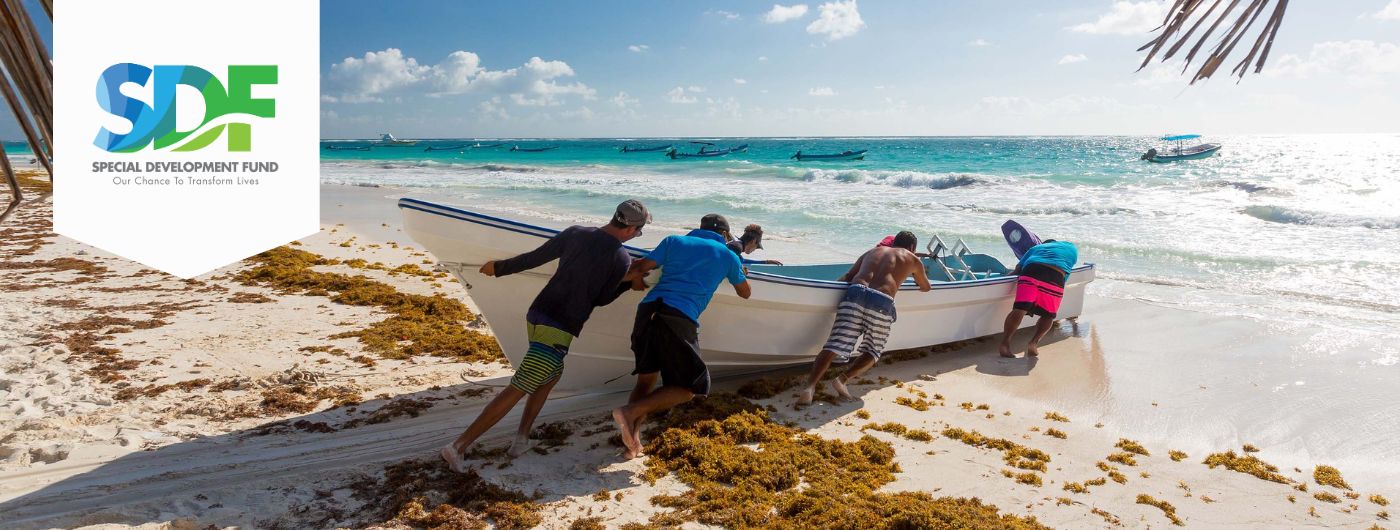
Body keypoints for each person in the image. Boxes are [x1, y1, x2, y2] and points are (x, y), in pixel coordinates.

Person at [440, 200, 651, 472]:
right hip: (560, 326)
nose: (636, 236)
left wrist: (499, 268)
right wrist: (628, 281)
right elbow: (600, 299)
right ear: (630, 229)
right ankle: (458, 446)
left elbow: (537, 256)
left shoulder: (577, 232)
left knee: (551, 375)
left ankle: (521, 439)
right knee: (520, 386)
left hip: (538, 313)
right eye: (639, 232)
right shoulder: (620, 258)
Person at [612, 213, 751, 459]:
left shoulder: (674, 241)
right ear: (725, 236)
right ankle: (628, 412)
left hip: (648, 311)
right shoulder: (729, 256)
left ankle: (630, 446)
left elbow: (640, 268)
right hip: (678, 317)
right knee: (690, 387)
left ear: (699, 228)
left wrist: (633, 282)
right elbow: (744, 293)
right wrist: (740, 271)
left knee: (646, 380)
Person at [797, 231, 931, 405]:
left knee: (834, 344)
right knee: (873, 350)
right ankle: (842, 380)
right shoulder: (913, 259)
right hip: (881, 301)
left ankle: (809, 388)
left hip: (855, 293)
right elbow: (925, 287)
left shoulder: (871, 252)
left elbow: (849, 276)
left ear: (893, 242)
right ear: (912, 248)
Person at [998, 239, 1078, 358]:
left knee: (1020, 309)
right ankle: (1033, 343)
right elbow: (1066, 273)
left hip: (1031, 271)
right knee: (1048, 315)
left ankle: (1005, 344)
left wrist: (1000, 281)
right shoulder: (1071, 247)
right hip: (1055, 276)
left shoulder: (1035, 249)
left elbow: (1017, 270)